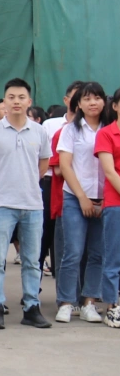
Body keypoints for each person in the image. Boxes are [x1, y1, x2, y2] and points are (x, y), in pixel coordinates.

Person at [0, 78, 52, 330]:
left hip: (32, 205)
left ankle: (32, 306)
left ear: (29, 102)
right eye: (11, 97)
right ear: (4, 102)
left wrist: (28, 183)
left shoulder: (40, 132)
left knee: (32, 260)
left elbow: (43, 165)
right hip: (1, 205)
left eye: (21, 97)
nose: (16, 101)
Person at [55, 82, 107, 324]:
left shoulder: (110, 129)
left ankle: (89, 303)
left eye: (97, 98)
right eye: (87, 99)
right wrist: (83, 198)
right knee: (72, 252)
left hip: (105, 199)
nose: (93, 102)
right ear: (78, 104)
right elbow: (65, 166)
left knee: (97, 254)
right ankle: (66, 302)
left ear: (105, 102)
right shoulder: (71, 130)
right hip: (76, 198)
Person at [43, 81, 84, 286]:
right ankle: (67, 296)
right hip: (64, 196)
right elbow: (57, 167)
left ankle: (88, 296)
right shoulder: (61, 131)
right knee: (67, 249)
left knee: (91, 251)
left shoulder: (103, 130)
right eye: (80, 99)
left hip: (98, 197)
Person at [95, 87, 120, 328]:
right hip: (115, 202)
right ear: (115, 106)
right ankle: (112, 305)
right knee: (113, 256)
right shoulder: (106, 134)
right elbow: (110, 171)